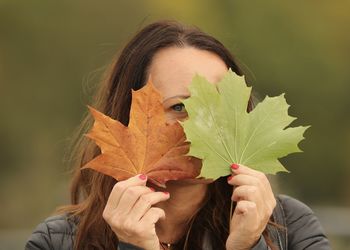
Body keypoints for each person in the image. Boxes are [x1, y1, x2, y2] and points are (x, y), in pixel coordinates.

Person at [25, 20, 331, 250]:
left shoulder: (289, 226)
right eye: (181, 106)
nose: (207, 123)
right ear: (130, 118)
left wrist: (248, 246)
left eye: (221, 102)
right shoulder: (57, 241)